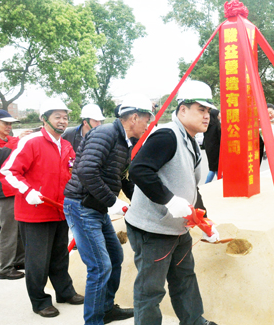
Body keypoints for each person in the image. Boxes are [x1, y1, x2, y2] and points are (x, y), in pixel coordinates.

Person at [124, 80, 219, 325]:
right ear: (183, 109)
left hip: (178, 228)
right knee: (150, 290)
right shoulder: (167, 135)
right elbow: (139, 170)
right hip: (153, 229)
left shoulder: (192, 141)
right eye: (201, 109)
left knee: (185, 277)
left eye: (208, 111)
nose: (207, 116)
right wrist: (168, 200)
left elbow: (190, 185)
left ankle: (193, 320)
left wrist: (204, 221)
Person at [63, 94, 154, 324]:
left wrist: (143, 204)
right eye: (147, 119)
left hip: (96, 207)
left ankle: (106, 308)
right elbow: (86, 171)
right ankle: (93, 320)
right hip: (82, 206)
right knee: (99, 266)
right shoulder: (106, 134)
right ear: (134, 117)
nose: (148, 124)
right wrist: (113, 202)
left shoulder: (124, 141)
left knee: (115, 256)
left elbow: (123, 178)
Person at [0, 98, 83, 317]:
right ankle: (39, 301)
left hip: (59, 210)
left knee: (60, 256)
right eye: (58, 117)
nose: (63, 121)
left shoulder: (65, 145)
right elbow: (8, 171)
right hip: (34, 212)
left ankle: (65, 292)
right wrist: (28, 192)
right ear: (43, 118)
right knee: (37, 261)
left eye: (65, 117)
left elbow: (74, 173)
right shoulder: (32, 142)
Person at [0, 110, 31, 280]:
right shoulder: (9, 142)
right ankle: (5, 268)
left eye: (10, 124)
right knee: (8, 230)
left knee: (18, 228)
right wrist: (18, 141)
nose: (9, 127)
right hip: (1, 193)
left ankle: (18, 260)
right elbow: (0, 156)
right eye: (5, 123)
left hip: (14, 189)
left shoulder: (10, 140)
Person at [204, 109, 221, 183]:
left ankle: (221, 181)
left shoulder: (207, 125)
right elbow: (220, 139)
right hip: (216, 150)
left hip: (209, 149)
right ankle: (206, 183)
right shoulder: (217, 126)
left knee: (214, 168)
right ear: (215, 116)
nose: (220, 115)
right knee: (214, 168)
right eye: (219, 114)